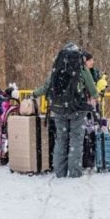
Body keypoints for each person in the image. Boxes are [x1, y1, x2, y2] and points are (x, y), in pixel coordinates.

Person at [33, 42, 99, 178]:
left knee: (61, 139)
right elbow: (91, 86)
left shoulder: (58, 66)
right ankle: (74, 173)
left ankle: (59, 172)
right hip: (76, 109)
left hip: (58, 109)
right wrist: (96, 95)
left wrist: (34, 94)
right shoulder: (80, 66)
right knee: (76, 140)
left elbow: (46, 87)